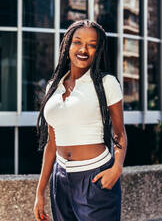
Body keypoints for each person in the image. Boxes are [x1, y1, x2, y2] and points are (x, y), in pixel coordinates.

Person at [34, 20, 127, 221]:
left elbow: (119, 133)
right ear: (67, 44)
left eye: (91, 45)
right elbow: (52, 143)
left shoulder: (106, 83)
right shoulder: (53, 86)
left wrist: (117, 168)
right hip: (60, 179)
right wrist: (40, 191)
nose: (83, 49)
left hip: (94, 177)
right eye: (78, 42)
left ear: (98, 50)